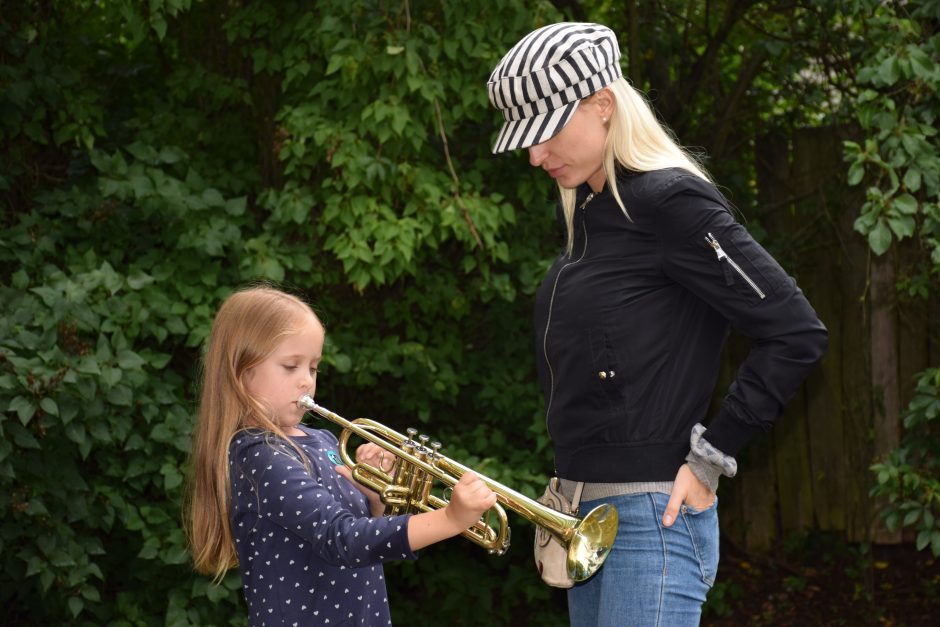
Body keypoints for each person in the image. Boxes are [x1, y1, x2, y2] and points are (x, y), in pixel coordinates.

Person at [487, 22, 828, 626]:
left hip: (652, 521)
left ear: (603, 105)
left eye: (545, 134)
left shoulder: (669, 203)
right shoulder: (590, 223)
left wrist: (709, 461)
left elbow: (795, 331)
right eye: (526, 141)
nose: (535, 155)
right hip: (579, 520)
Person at [185, 285, 497, 626]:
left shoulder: (322, 440)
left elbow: (367, 534)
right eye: (291, 366)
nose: (306, 381)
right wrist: (450, 518)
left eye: (313, 368)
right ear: (242, 373)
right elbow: (343, 539)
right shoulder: (258, 457)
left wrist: (378, 498)